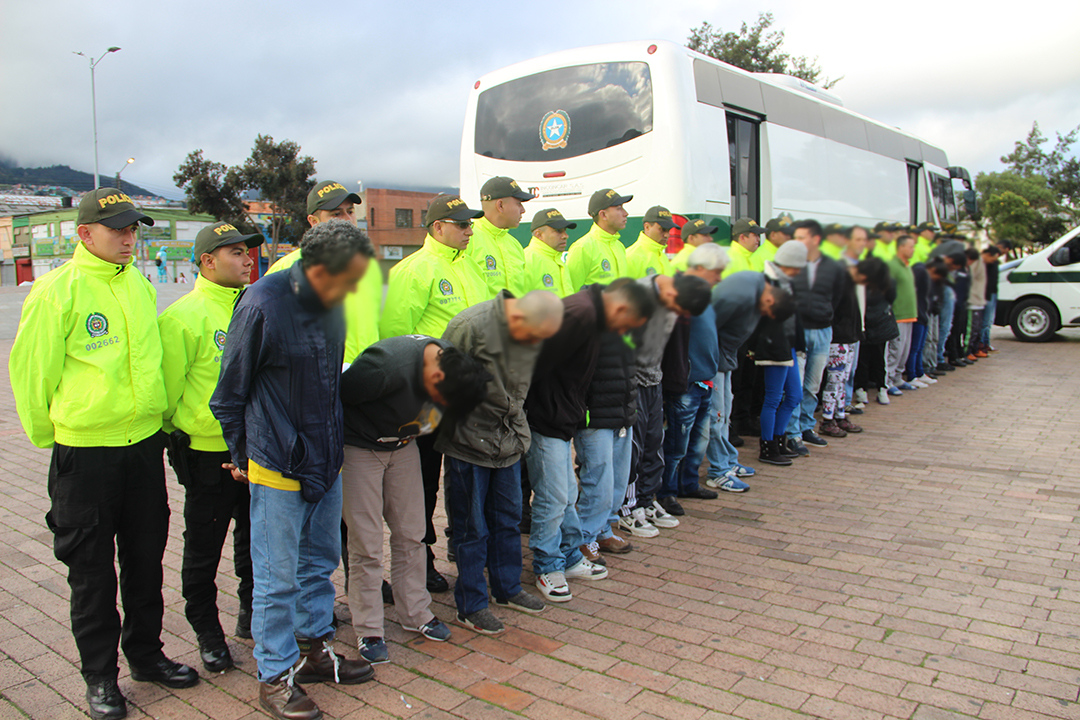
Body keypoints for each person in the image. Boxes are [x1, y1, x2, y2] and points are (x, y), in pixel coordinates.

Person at [10, 188, 198, 720]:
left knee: (144, 560)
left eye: (133, 228)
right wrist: (59, 434)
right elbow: (31, 375)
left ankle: (146, 655)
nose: (128, 238)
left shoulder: (137, 283)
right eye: (117, 229)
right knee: (91, 573)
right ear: (84, 234)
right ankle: (100, 678)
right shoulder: (55, 292)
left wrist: (157, 422)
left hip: (142, 449)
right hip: (86, 457)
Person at [210, 221, 376, 720]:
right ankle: (275, 675)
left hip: (326, 460)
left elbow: (328, 384)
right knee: (277, 578)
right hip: (278, 463)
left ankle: (313, 651)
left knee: (317, 566)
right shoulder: (263, 303)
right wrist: (245, 458)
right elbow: (229, 394)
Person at [340, 337, 491, 665]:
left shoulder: (453, 367)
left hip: (402, 446)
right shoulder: (385, 367)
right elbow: (339, 396)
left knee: (412, 532)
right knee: (365, 542)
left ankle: (416, 612)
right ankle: (368, 629)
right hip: (359, 447)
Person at [159, 222, 263, 675]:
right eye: (236, 252)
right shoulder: (182, 318)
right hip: (207, 454)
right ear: (207, 261)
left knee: (255, 541)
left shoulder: (256, 307)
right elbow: (166, 397)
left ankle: (252, 614)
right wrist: (189, 436)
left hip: (257, 450)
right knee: (204, 546)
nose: (247, 260)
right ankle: (207, 632)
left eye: (249, 252)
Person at [380, 194, 491, 594]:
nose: (469, 230)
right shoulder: (415, 270)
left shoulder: (472, 268)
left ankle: (463, 550)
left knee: (464, 479)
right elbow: (395, 337)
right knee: (422, 484)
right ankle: (420, 559)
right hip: (428, 399)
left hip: (467, 397)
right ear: (437, 227)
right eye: (461, 224)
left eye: (470, 224)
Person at [437, 290, 564, 635]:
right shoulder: (471, 325)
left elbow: (521, 389)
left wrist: (519, 433)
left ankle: (506, 588)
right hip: (468, 442)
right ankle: (471, 604)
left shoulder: (534, 329)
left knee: (507, 518)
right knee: (471, 527)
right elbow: (440, 380)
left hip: (507, 442)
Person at [526, 281, 654, 600]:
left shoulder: (591, 314)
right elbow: (532, 364)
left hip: (562, 416)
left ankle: (568, 556)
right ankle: (547, 566)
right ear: (622, 309)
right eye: (627, 325)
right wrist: (546, 411)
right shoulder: (579, 314)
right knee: (553, 496)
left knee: (567, 493)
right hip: (546, 418)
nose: (623, 333)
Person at [620, 273, 712, 531]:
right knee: (634, 451)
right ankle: (629, 507)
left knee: (654, 446)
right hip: (633, 385)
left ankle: (648, 500)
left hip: (655, 381)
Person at [268, 179, 382, 362]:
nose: (348, 220)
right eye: (336, 214)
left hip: (368, 376)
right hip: (319, 381)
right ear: (314, 222)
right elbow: (270, 334)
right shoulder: (288, 269)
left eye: (350, 211)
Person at [657, 244, 728, 505]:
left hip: (705, 379)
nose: (719, 278)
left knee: (698, 439)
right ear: (699, 268)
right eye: (716, 272)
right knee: (677, 443)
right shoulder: (678, 294)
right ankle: (667, 492)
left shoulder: (704, 295)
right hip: (686, 382)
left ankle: (687, 483)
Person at [709, 271, 797, 482]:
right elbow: (711, 327)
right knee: (717, 416)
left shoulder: (755, 290)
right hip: (715, 361)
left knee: (725, 413)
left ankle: (728, 461)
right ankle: (719, 470)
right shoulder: (743, 294)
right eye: (767, 312)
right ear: (768, 300)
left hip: (726, 359)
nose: (763, 316)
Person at [783, 220, 846, 456]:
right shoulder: (791, 263)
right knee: (795, 387)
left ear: (816, 239)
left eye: (801, 237)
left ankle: (807, 426)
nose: (797, 242)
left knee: (813, 384)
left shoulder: (832, 267)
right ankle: (792, 433)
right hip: (798, 330)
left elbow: (837, 296)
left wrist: (825, 314)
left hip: (823, 330)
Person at [753, 241, 806, 465]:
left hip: (788, 345)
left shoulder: (786, 282)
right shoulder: (765, 282)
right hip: (773, 346)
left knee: (794, 395)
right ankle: (768, 446)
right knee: (773, 398)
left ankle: (778, 438)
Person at [465, 176, 535, 297]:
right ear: (500, 205)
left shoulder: (514, 244)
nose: (523, 210)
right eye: (518, 204)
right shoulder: (467, 240)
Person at [566, 188, 632, 289]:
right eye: (619, 208)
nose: (625, 213)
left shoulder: (619, 246)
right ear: (603, 215)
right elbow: (572, 293)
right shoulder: (582, 248)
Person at [885, 235, 918, 394]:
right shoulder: (892, 266)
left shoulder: (907, 265)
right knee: (895, 350)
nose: (913, 250)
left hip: (909, 314)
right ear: (901, 247)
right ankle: (888, 380)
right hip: (897, 315)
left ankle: (898, 377)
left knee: (904, 350)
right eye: (910, 247)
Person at [524, 208, 577, 296]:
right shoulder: (526, 261)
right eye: (558, 231)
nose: (565, 236)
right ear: (539, 234)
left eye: (565, 230)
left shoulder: (557, 260)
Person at [625, 205, 676, 277]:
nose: (667, 235)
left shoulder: (662, 256)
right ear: (647, 227)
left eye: (669, 230)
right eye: (662, 229)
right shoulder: (631, 257)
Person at [966, 246, 990, 361]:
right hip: (973, 301)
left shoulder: (978, 263)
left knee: (977, 328)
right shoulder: (974, 264)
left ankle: (974, 349)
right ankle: (967, 351)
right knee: (972, 328)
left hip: (978, 300)